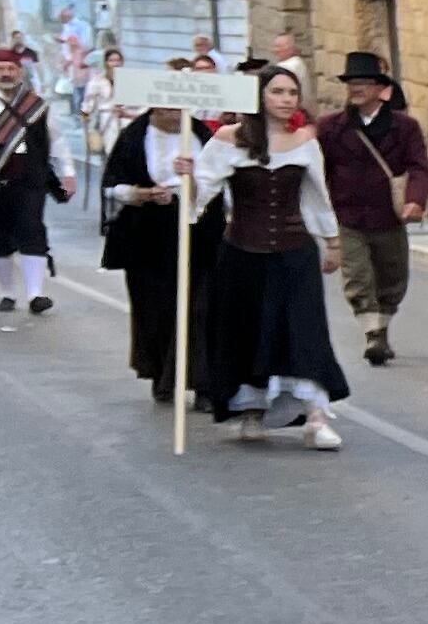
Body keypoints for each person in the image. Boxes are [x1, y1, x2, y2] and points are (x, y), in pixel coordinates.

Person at [186, 63, 352, 449]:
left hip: (294, 254)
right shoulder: (229, 139)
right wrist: (188, 175)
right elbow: (201, 196)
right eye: (277, 92)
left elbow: (317, 196)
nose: (286, 100)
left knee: (304, 331)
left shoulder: (305, 141)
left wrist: (333, 242)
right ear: (259, 96)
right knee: (248, 331)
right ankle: (251, 411)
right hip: (242, 253)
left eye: (291, 93)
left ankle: (315, 416)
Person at [317, 50, 428, 363]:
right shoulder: (330, 128)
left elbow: (420, 167)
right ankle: (371, 336)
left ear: (380, 88)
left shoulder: (405, 127)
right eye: (352, 82)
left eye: (364, 82)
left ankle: (381, 329)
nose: (356, 88)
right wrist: (322, 210)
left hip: (390, 216)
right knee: (358, 277)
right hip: (348, 215)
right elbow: (319, 170)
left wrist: (415, 200)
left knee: (392, 278)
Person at [95, 90, 193, 398]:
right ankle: (162, 374)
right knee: (154, 307)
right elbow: (112, 187)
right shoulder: (133, 137)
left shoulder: (200, 134)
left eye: (180, 108)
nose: (175, 115)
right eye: (168, 109)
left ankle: (200, 379)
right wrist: (141, 193)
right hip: (146, 236)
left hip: (196, 233)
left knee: (198, 306)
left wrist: (191, 187)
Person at [0, 41, 67, 317]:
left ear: (19, 71)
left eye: (10, 68)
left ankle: (35, 294)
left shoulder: (35, 105)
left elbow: (57, 141)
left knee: (32, 230)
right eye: (0, 68)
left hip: (29, 179)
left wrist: (68, 174)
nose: (5, 73)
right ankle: (7, 293)